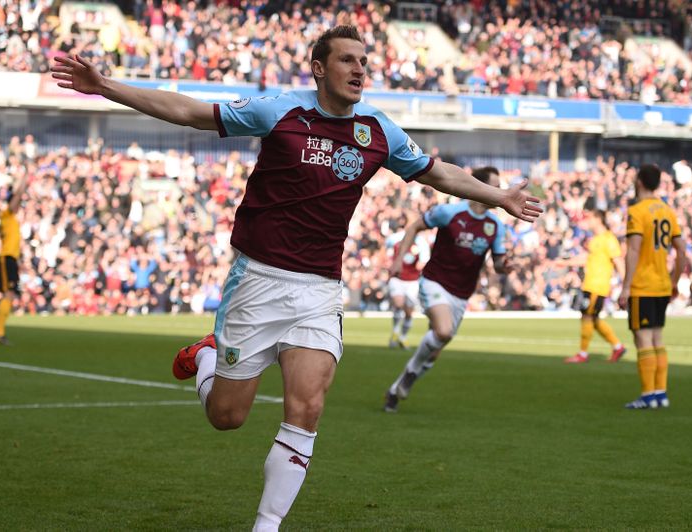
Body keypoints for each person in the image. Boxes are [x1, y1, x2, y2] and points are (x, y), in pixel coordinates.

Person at [52, 26, 542, 530]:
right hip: (258, 280)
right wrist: (105, 85)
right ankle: (205, 356)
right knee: (228, 417)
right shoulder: (281, 110)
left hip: (320, 289)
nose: (359, 71)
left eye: (364, 62)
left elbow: (438, 173)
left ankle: (267, 526)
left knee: (307, 405)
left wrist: (497, 196)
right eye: (347, 60)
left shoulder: (377, 131)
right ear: (318, 68)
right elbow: (189, 111)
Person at [383, 167, 515, 413]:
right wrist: (399, 259)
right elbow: (413, 228)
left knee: (434, 353)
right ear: (478, 187)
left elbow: (497, 262)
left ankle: (397, 387)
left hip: (461, 294)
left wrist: (504, 266)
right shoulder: (449, 212)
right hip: (434, 281)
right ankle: (409, 374)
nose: (499, 192)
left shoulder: (495, 225)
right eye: (494, 186)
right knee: (443, 332)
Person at [617, 164, 686, 409]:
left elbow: (633, 249)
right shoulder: (667, 210)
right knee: (657, 337)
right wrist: (674, 281)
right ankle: (660, 393)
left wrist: (626, 287)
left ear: (639, 182)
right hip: (662, 284)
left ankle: (648, 395)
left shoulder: (637, 211)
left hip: (643, 285)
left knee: (642, 338)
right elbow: (681, 250)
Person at [563, 207, 627, 363]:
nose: (587, 221)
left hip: (598, 286)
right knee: (594, 319)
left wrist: (626, 285)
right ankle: (617, 347)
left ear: (598, 219)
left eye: (590, 218)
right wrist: (564, 263)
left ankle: (582, 354)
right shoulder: (595, 239)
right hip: (589, 284)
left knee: (587, 316)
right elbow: (587, 259)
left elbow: (618, 261)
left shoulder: (608, 239)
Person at [0, 176, 25, 345]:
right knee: (8, 294)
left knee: (9, 295)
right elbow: (16, 197)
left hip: (10, 258)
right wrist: (24, 179)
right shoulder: (7, 215)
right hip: (6, 258)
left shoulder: (10, 218)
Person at [387, 217, 430, 348]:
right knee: (398, 304)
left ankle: (403, 337)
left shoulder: (422, 243)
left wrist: (418, 263)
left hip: (412, 281)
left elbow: (422, 263)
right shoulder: (395, 239)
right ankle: (395, 331)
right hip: (397, 278)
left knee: (409, 312)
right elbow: (387, 252)